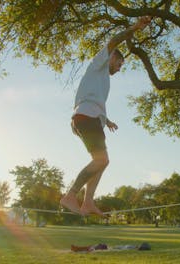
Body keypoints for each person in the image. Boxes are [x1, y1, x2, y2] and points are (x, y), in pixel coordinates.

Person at [60, 17, 152, 217]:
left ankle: (88, 202)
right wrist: (135, 27)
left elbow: (95, 100)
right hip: (86, 117)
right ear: (111, 57)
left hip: (90, 118)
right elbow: (114, 41)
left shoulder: (102, 81)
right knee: (102, 160)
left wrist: (106, 120)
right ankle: (71, 196)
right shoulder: (99, 63)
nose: (119, 69)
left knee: (102, 161)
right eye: (119, 64)